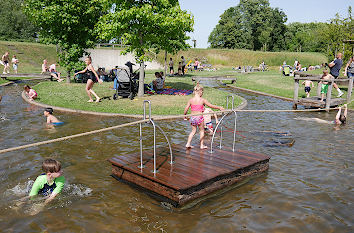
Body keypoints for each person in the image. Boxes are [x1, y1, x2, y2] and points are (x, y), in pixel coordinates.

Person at [184, 84, 224, 149]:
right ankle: (201, 145)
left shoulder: (191, 100)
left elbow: (186, 109)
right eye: (202, 92)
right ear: (200, 92)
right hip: (199, 118)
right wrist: (219, 107)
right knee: (201, 131)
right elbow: (211, 105)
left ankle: (188, 143)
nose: (202, 93)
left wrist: (185, 115)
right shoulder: (202, 100)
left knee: (193, 131)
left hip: (192, 117)